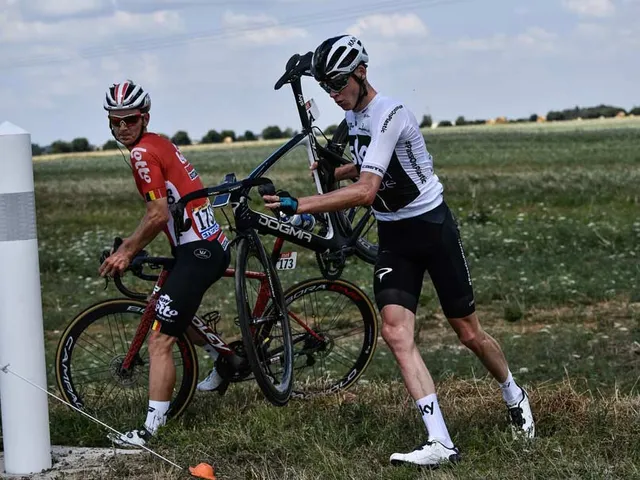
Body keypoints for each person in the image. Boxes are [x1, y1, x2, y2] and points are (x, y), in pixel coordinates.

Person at [262, 35, 535, 467]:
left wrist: (303, 203)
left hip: (431, 229)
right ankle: (440, 441)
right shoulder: (353, 117)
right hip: (394, 238)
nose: (334, 95)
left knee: (468, 334)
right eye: (326, 88)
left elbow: (368, 189)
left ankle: (512, 392)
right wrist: (335, 168)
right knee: (395, 332)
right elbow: (369, 162)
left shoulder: (389, 112)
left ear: (361, 73)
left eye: (338, 85)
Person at [99, 80, 231, 446]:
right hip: (202, 244)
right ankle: (224, 359)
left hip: (198, 249)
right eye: (115, 121)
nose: (122, 127)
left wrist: (127, 251)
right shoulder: (156, 142)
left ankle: (150, 432)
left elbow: (158, 215)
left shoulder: (142, 154)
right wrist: (130, 241)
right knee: (171, 309)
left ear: (145, 118)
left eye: (130, 119)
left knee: (159, 340)